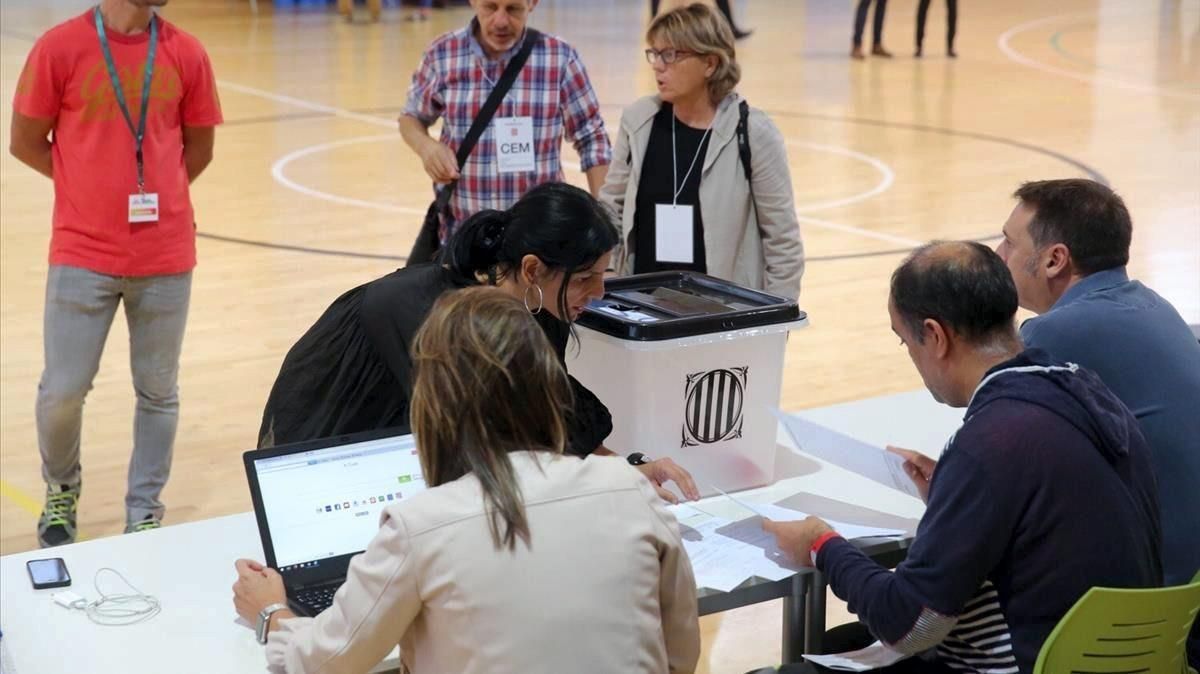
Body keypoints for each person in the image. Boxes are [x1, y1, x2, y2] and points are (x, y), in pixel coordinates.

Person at [234, 288, 702, 674]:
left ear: (434, 401)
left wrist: (273, 613)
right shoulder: (632, 490)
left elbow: (325, 661)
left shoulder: (420, 525)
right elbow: (681, 654)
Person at [763, 242, 1162, 674]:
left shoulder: (990, 443)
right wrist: (951, 493)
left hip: (1030, 662)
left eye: (905, 342)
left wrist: (821, 545)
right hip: (1120, 657)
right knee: (843, 643)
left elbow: (911, 626)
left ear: (935, 336)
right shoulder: (1086, 390)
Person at [260, 182, 699, 503]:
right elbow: (487, 453)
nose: (600, 292)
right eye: (586, 278)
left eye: (605, 275)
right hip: (342, 458)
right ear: (531, 270)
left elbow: (554, 426)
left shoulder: (544, 308)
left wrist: (631, 470)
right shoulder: (435, 318)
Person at [10, 0, 222, 547]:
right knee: (62, 390)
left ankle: (144, 511)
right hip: (82, 252)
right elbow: (25, 140)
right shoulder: (60, 47)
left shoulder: (187, 53)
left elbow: (198, 150)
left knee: (158, 391)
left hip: (166, 255)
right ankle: (62, 488)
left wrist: (160, 195)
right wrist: (84, 189)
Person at [996, 178, 1200, 667]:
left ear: (1054, 260)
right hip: (1186, 603)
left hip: (1136, 612)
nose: (997, 253)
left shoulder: (1057, 332)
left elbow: (993, 458)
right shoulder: (1153, 305)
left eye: (1008, 240)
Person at [601, 3, 803, 299]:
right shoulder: (638, 120)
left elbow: (783, 242)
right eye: (655, 53)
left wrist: (776, 319)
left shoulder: (753, 132)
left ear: (710, 63)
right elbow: (610, 209)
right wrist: (607, 273)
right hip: (643, 310)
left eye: (670, 55)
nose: (658, 64)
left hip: (721, 316)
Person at [399, 0, 612, 242]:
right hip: (463, 239)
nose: (500, 21)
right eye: (490, 7)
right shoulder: (442, 54)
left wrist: (605, 226)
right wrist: (427, 147)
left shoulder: (560, 58)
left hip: (539, 241)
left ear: (532, 3)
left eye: (513, 9)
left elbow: (592, 138)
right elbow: (411, 117)